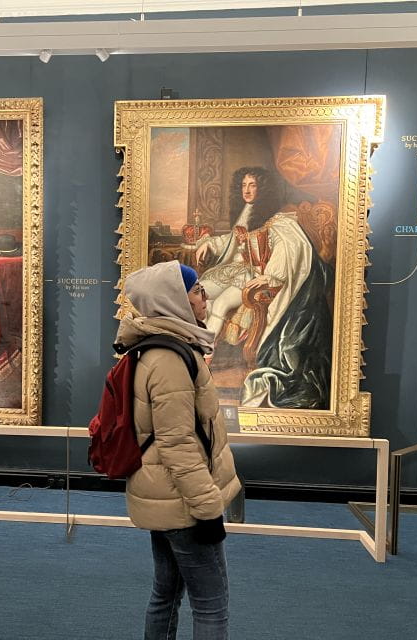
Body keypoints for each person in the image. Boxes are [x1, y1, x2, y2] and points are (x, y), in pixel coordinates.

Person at [116, 260, 241, 640]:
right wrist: (207, 510)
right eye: (197, 290)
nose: (205, 297)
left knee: (167, 593)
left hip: (163, 493)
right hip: (182, 501)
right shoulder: (169, 358)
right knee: (211, 602)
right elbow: (178, 444)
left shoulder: (160, 348)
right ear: (175, 299)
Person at [195, 166, 333, 409]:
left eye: (253, 185)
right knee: (200, 292)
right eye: (244, 185)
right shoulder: (248, 212)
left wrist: (270, 276)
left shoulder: (279, 219)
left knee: (222, 304)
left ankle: (201, 358)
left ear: (264, 189)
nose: (247, 190)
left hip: (253, 275)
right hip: (233, 271)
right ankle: (192, 352)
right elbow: (231, 240)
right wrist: (208, 244)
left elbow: (291, 249)